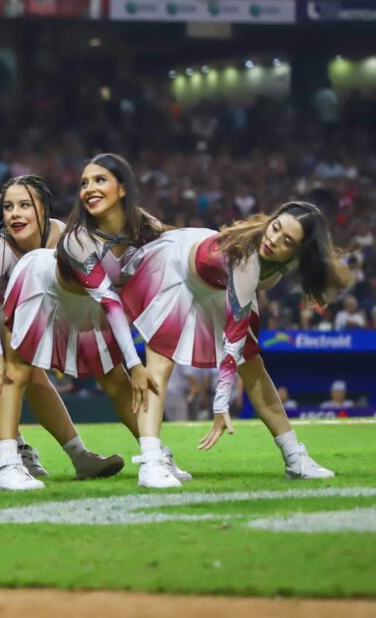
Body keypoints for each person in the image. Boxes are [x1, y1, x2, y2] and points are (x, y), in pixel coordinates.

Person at [122, 201, 353, 482]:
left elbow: (239, 327)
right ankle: (151, 462)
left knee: (255, 369)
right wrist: (221, 405)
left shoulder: (286, 262)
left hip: (219, 290)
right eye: (275, 227)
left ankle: (295, 458)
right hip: (178, 273)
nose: (273, 239)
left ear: (299, 253)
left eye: (286, 240)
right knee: (159, 366)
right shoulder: (247, 259)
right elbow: (232, 344)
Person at [3, 154, 178, 489]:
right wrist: (137, 363)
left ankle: (154, 452)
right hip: (38, 294)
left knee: (113, 376)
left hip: (85, 305)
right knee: (19, 372)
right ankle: (12, 460)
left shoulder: (141, 227)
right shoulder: (73, 239)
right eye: (84, 183)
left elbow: (175, 244)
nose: (89, 189)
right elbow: (110, 299)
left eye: (99, 180)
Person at [0, 175, 126, 490]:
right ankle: (12, 460)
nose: (15, 214)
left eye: (25, 205)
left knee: (47, 373)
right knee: (17, 372)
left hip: (32, 313)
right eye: (8, 207)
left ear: (44, 209)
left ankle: (81, 457)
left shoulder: (62, 235)